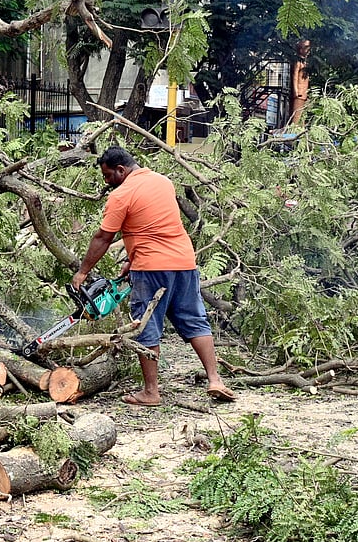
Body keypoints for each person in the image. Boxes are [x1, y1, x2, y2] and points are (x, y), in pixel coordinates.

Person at [72, 147, 235, 406]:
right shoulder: (163, 182)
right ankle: (215, 379)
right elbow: (154, 224)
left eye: (107, 176)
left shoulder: (121, 195)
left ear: (121, 170)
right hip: (183, 261)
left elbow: (103, 237)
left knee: (145, 324)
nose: (106, 182)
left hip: (151, 268)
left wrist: (82, 272)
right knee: (195, 320)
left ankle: (151, 392)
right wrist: (130, 259)